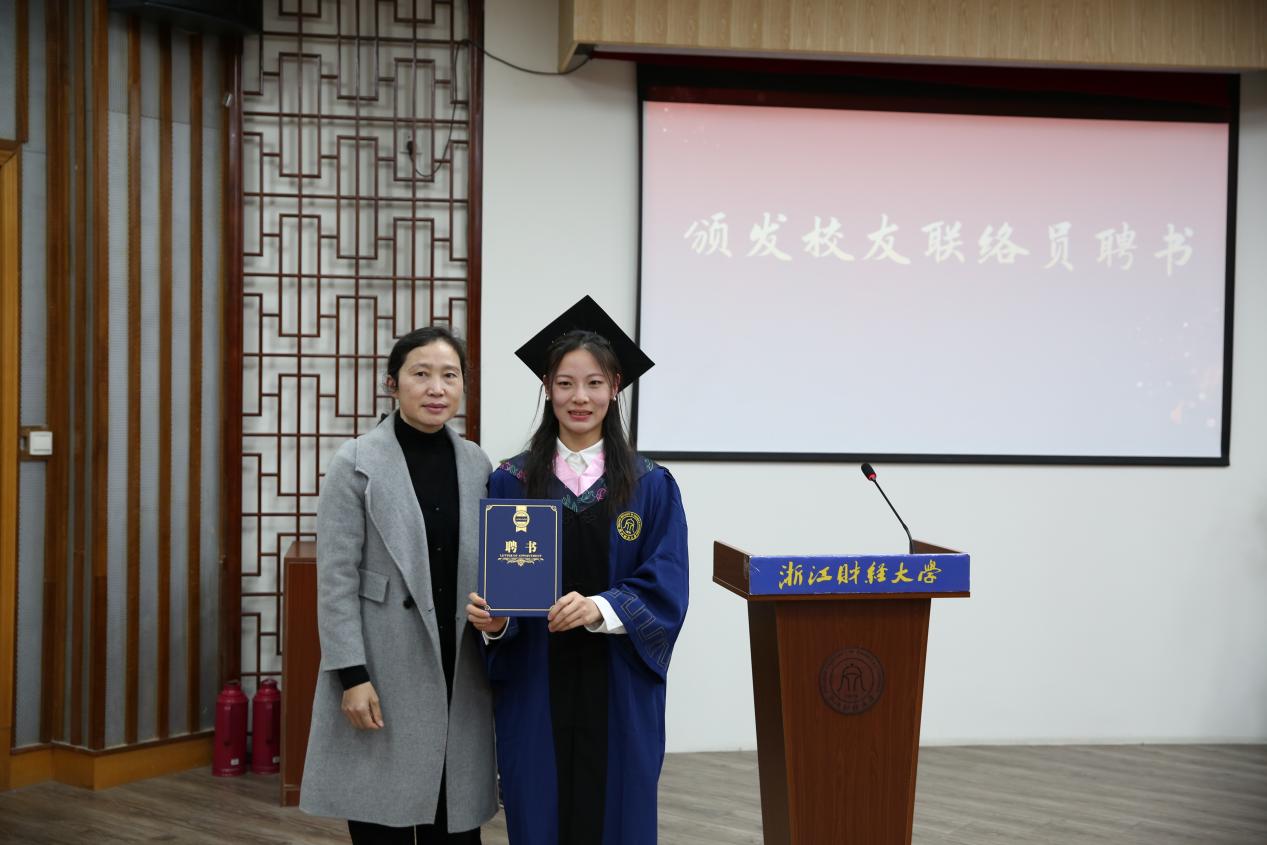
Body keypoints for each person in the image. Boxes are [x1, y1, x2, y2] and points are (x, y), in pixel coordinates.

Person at [465, 296, 689, 845]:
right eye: (565, 383)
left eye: (593, 383)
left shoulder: (650, 485)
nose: (579, 397)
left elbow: (667, 579)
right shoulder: (511, 482)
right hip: (536, 683)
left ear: (615, 387)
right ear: (547, 388)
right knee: (538, 808)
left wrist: (600, 608)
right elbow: (500, 590)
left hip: (619, 685)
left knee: (619, 814)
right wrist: (496, 624)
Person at [301, 327, 497, 844]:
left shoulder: (477, 463)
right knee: (380, 821)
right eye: (421, 374)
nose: (436, 388)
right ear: (393, 384)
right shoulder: (355, 462)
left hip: (458, 665)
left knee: (454, 824)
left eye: (449, 375)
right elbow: (336, 580)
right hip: (383, 667)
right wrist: (351, 676)